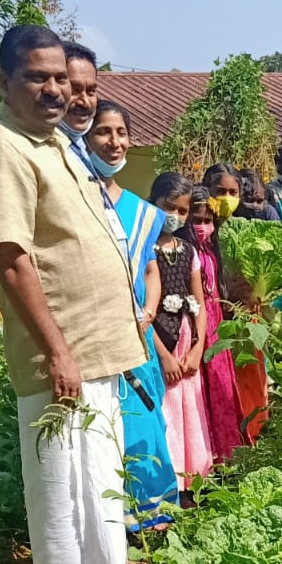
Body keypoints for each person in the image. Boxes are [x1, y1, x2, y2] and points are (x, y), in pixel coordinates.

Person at [0, 25, 145, 564]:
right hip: (63, 352)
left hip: (92, 348)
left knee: (96, 476)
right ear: (4, 83)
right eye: (36, 78)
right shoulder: (5, 151)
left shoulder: (52, 143)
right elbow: (11, 259)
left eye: (59, 78)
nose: (53, 90)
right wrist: (57, 351)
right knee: (63, 484)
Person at [87, 100, 177, 531]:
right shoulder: (78, 204)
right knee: (112, 425)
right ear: (84, 138)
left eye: (121, 132)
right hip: (97, 337)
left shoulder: (142, 213)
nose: (114, 141)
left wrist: (149, 311)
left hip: (138, 337)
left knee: (146, 421)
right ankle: (117, 522)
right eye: (103, 132)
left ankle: (154, 513)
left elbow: (151, 270)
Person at [148, 173, 214, 493]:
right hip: (156, 340)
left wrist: (198, 348)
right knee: (166, 409)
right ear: (153, 204)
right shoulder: (142, 250)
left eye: (182, 211)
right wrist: (163, 356)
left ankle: (193, 479)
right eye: (168, 207)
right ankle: (167, 481)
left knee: (190, 407)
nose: (175, 215)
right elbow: (140, 308)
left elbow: (199, 304)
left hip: (187, 341)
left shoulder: (188, 251)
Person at [190, 183, 246, 461]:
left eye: (208, 221)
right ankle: (208, 453)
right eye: (197, 221)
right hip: (196, 324)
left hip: (216, 321)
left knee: (221, 381)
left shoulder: (211, 249)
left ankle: (228, 450)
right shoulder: (187, 252)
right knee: (202, 386)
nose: (203, 227)